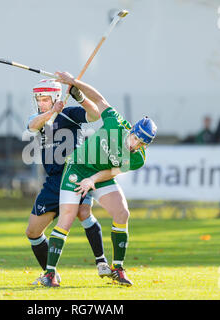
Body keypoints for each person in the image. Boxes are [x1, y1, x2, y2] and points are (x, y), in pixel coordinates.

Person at [40, 72, 157, 287]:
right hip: (77, 167)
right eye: (135, 138)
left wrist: (92, 180)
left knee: (122, 212)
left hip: (100, 174)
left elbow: (112, 172)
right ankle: (49, 274)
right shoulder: (115, 124)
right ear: (131, 130)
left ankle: (117, 269)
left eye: (141, 143)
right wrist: (74, 83)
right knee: (66, 218)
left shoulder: (138, 158)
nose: (135, 144)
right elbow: (99, 99)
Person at [24, 79, 112, 284]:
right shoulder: (39, 117)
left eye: (45, 99)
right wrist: (50, 111)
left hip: (75, 174)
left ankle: (102, 263)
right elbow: (32, 126)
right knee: (33, 232)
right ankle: (51, 274)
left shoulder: (70, 113)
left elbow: (95, 114)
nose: (41, 103)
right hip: (53, 181)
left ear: (55, 97)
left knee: (83, 212)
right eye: (39, 99)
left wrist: (80, 97)